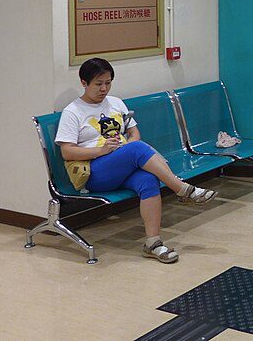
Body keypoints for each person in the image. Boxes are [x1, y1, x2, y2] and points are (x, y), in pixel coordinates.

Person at [55, 57, 218, 264]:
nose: (104, 88)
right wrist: (101, 150)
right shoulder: (73, 112)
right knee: (137, 149)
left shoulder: (116, 103)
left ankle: (153, 243)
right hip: (94, 172)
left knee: (148, 180)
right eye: (98, 84)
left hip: (122, 164)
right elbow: (67, 152)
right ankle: (182, 189)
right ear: (84, 83)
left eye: (108, 83)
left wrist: (125, 147)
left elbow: (134, 133)